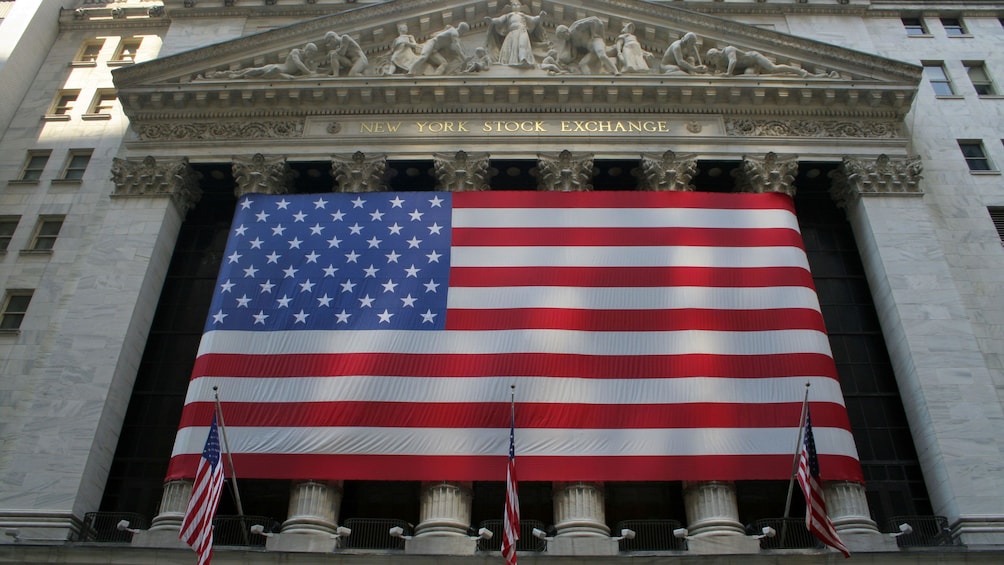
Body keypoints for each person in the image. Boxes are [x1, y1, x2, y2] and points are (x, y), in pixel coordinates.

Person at [483, 0, 546, 68]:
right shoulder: (509, 15)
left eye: (518, 5)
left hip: (522, 31)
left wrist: (540, 17)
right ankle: (512, 61)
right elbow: (500, 20)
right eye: (514, 5)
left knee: (522, 45)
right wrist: (492, 20)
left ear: (521, 7)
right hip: (512, 33)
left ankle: (523, 59)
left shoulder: (522, 15)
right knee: (510, 47)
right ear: (511, 7)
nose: (516, 6)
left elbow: (533, 19)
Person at [553, 16, 619, 75]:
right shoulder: (571, 42)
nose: (564, 39)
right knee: (582, 64)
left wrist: (593, 35)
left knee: (602, 55)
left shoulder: (576, 28)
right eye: (562, 38)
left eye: (563, 36)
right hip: (591, 51)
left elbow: (592, 21)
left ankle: (615, 71)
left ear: (565, 31)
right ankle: (589, 80)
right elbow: (571, 54)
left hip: (596, 41)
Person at [215, 42, 319, 79]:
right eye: (311, 52)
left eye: (313, 54)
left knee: (259, 73)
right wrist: (310, 73)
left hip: (283, 73)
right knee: (257, 71)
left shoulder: (306, 60)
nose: (311, 55)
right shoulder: (295, 52)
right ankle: (237, 76)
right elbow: (298, 64)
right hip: (279, 68)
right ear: (307, 49)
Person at [705, 45, 819, 77]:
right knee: (749, 75)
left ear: (715, 54)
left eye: (712, 59)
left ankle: (800, 72)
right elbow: (718, 71)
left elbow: (733, 61)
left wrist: (728, 74)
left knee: (773, 69)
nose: (713, 62)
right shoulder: (720, 61)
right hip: (750, 67)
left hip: (755, 58)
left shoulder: (728, 50)